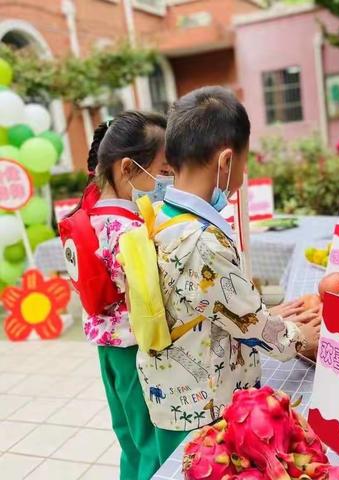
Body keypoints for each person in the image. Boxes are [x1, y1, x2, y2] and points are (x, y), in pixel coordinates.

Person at [136, 86, 321, 456]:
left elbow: (208, 305)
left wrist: (258, 315)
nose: (243, 174)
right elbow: (254, 327)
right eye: (244, 161)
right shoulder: (202, 241)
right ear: (225, 162)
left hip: (173, 392)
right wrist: (304, 337)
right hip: (202, 406)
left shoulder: (159, 214)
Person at [71, 111, 173, 480]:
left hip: (105, 348)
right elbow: (146, 298)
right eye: (162, 171)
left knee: (127, 436)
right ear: (129, 168)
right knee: (149, 440)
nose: (166, 181)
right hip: (134, 350)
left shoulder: (89, 213)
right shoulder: (128, 229)